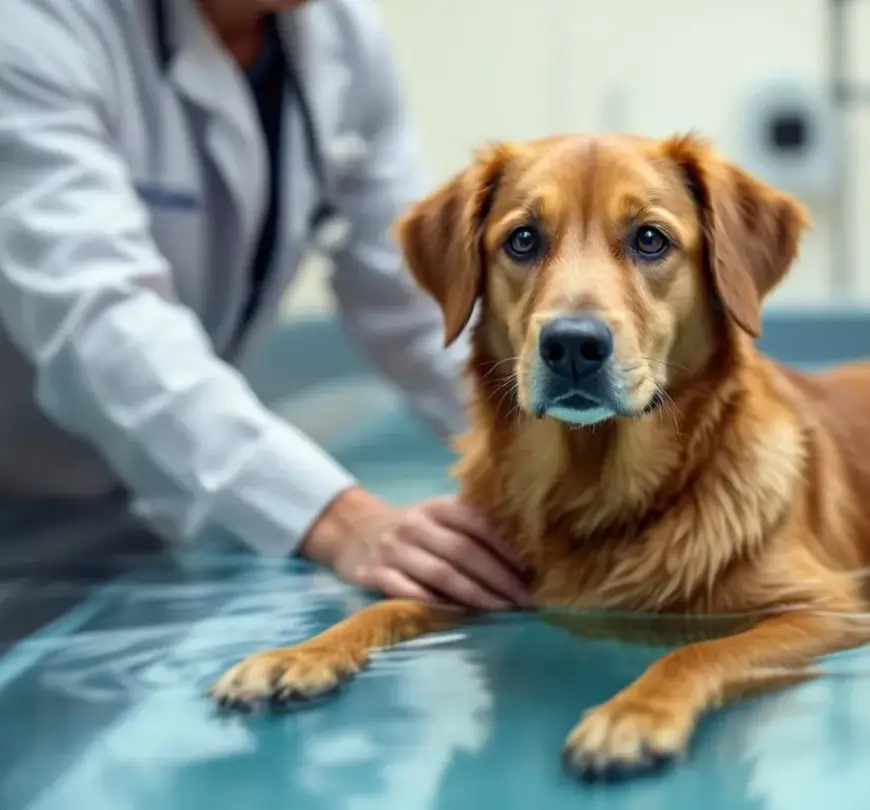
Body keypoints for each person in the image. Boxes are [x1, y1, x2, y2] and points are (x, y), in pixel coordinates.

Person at [0, 0, 531, 610]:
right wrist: (342, 520)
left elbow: (415, 307)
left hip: (141, 501)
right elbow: (100, 321)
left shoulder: (341, 35)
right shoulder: (34, 25)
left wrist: (546, 448)